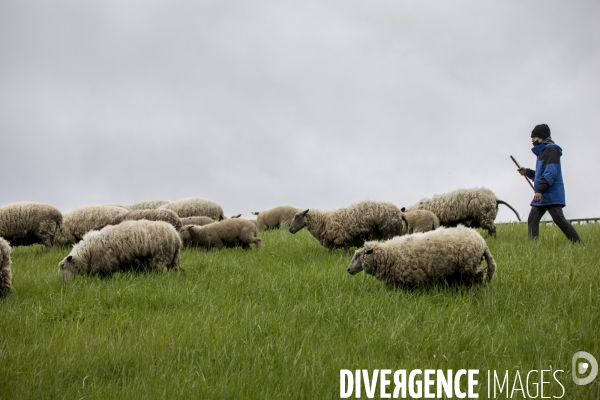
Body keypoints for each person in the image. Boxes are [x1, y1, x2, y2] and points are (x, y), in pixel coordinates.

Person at [517, 123, 582, 243]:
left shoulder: (551, 149)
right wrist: (527, 172)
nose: (532, 140)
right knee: (532, 220)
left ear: (541, 137)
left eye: (534, 137)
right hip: (543, 195)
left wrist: (540, 190)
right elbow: (541, 174)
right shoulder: (543, 151)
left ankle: (579, 244)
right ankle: (533, 248)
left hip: (550, 194)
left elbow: (550, 172)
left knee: (559, 220)